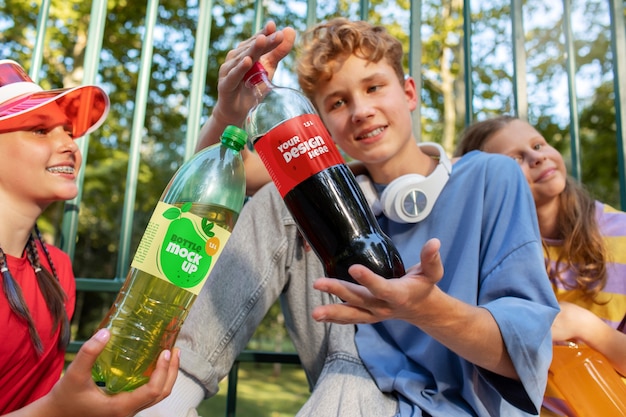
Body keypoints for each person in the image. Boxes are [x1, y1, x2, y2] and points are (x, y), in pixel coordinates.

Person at [139, 19, 559, 417]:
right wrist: (227, 113)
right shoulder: (323, 188)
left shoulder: (490, 177)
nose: (361, 110)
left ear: (409, 93)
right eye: (338, 103)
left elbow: (520, 356)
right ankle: (165, 392)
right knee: (280, 199)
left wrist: (423, 309)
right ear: (321, 126)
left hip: (455, 406)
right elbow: (206, 186)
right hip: (347, 376)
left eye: (374, 87)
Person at [0, 59, 179, 417]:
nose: (70, 145)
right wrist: (59, 410)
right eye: (39, 129)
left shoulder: (56, 268)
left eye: (68, 131)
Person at [455, 115, 626, 416]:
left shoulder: (620, 235)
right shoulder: (487, 255)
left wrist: (585, 327)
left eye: (538, 144)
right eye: (515, 159)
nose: (537, 157)